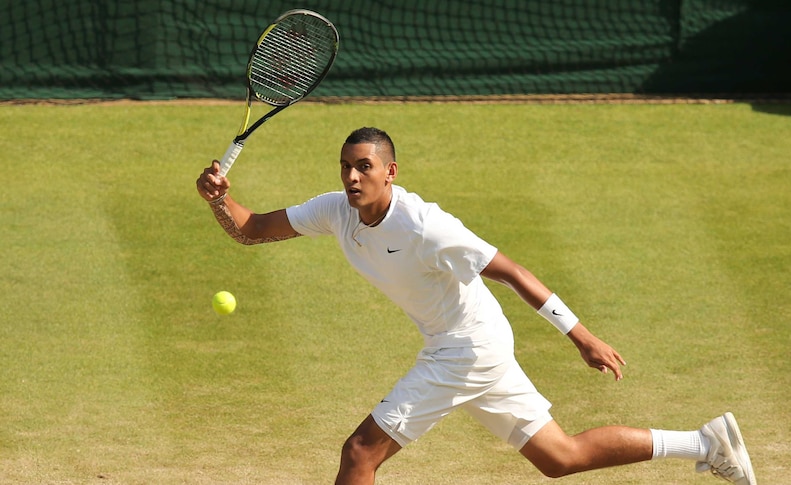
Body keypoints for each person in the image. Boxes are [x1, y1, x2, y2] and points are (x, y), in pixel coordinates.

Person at [196, 127, 756, 485]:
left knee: (359, 456)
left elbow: (511, 272)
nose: (351, 176)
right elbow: (252, 231)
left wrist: (579, 335)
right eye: (346, 166)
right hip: (469, 341)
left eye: (364, 166)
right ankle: (706, 443)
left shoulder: (429, 227)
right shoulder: (337, 209)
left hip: (465, 348)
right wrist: (221, 202)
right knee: (558, 457)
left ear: (390, 171)